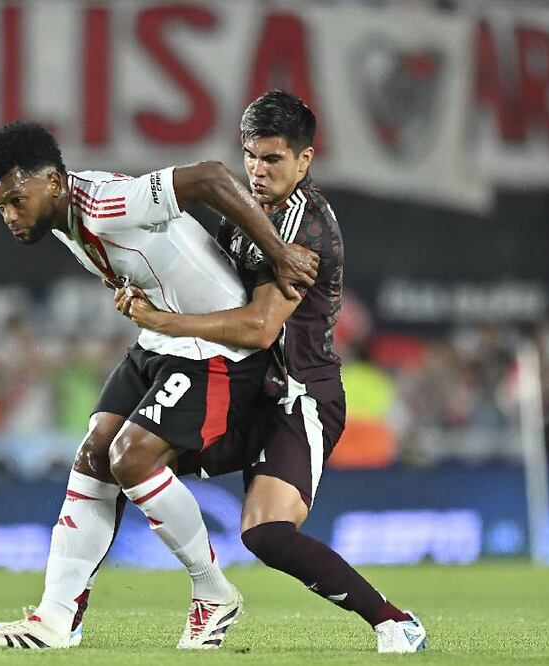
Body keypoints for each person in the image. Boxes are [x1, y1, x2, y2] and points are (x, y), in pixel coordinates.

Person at [0, 121, 318, 650]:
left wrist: (278, 251)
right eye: (0, 207)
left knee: (131, 458)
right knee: (93, 453)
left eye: (17, 200)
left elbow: (209, 177)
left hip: (217, 347)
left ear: (54, 184)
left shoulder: (107, 203)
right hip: (162, 340)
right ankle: (54, 620)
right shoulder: (64, 216)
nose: (11, 216)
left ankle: (212, 590)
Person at [114, 91, 427, 653]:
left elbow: (260, 327)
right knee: (130, 460)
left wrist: (163, 319)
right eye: (251, 156)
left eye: (273, 159)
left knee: (264, 533)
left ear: (304, 161)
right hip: (244, 390)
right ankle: (190, 597)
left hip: (298, 397)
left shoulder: (305, 227)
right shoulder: (244, 216)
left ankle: (394, 621)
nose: (258, 170)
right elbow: (210, 286)